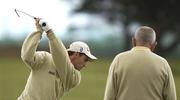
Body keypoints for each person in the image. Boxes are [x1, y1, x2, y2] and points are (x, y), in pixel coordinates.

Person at [18, 18, 97, 100]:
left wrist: (50, 32)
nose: (85, 65)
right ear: (77, 54)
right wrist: (39, 32)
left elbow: (62, 60)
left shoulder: (75, 77)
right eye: (85, 60)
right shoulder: (45, 58)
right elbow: (26, 56)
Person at [103, 26, 176, 100]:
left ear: (133, 41)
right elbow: (171, 97)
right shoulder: (163, 63)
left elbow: (109, 96)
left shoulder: (119, 60)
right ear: (154, 45)